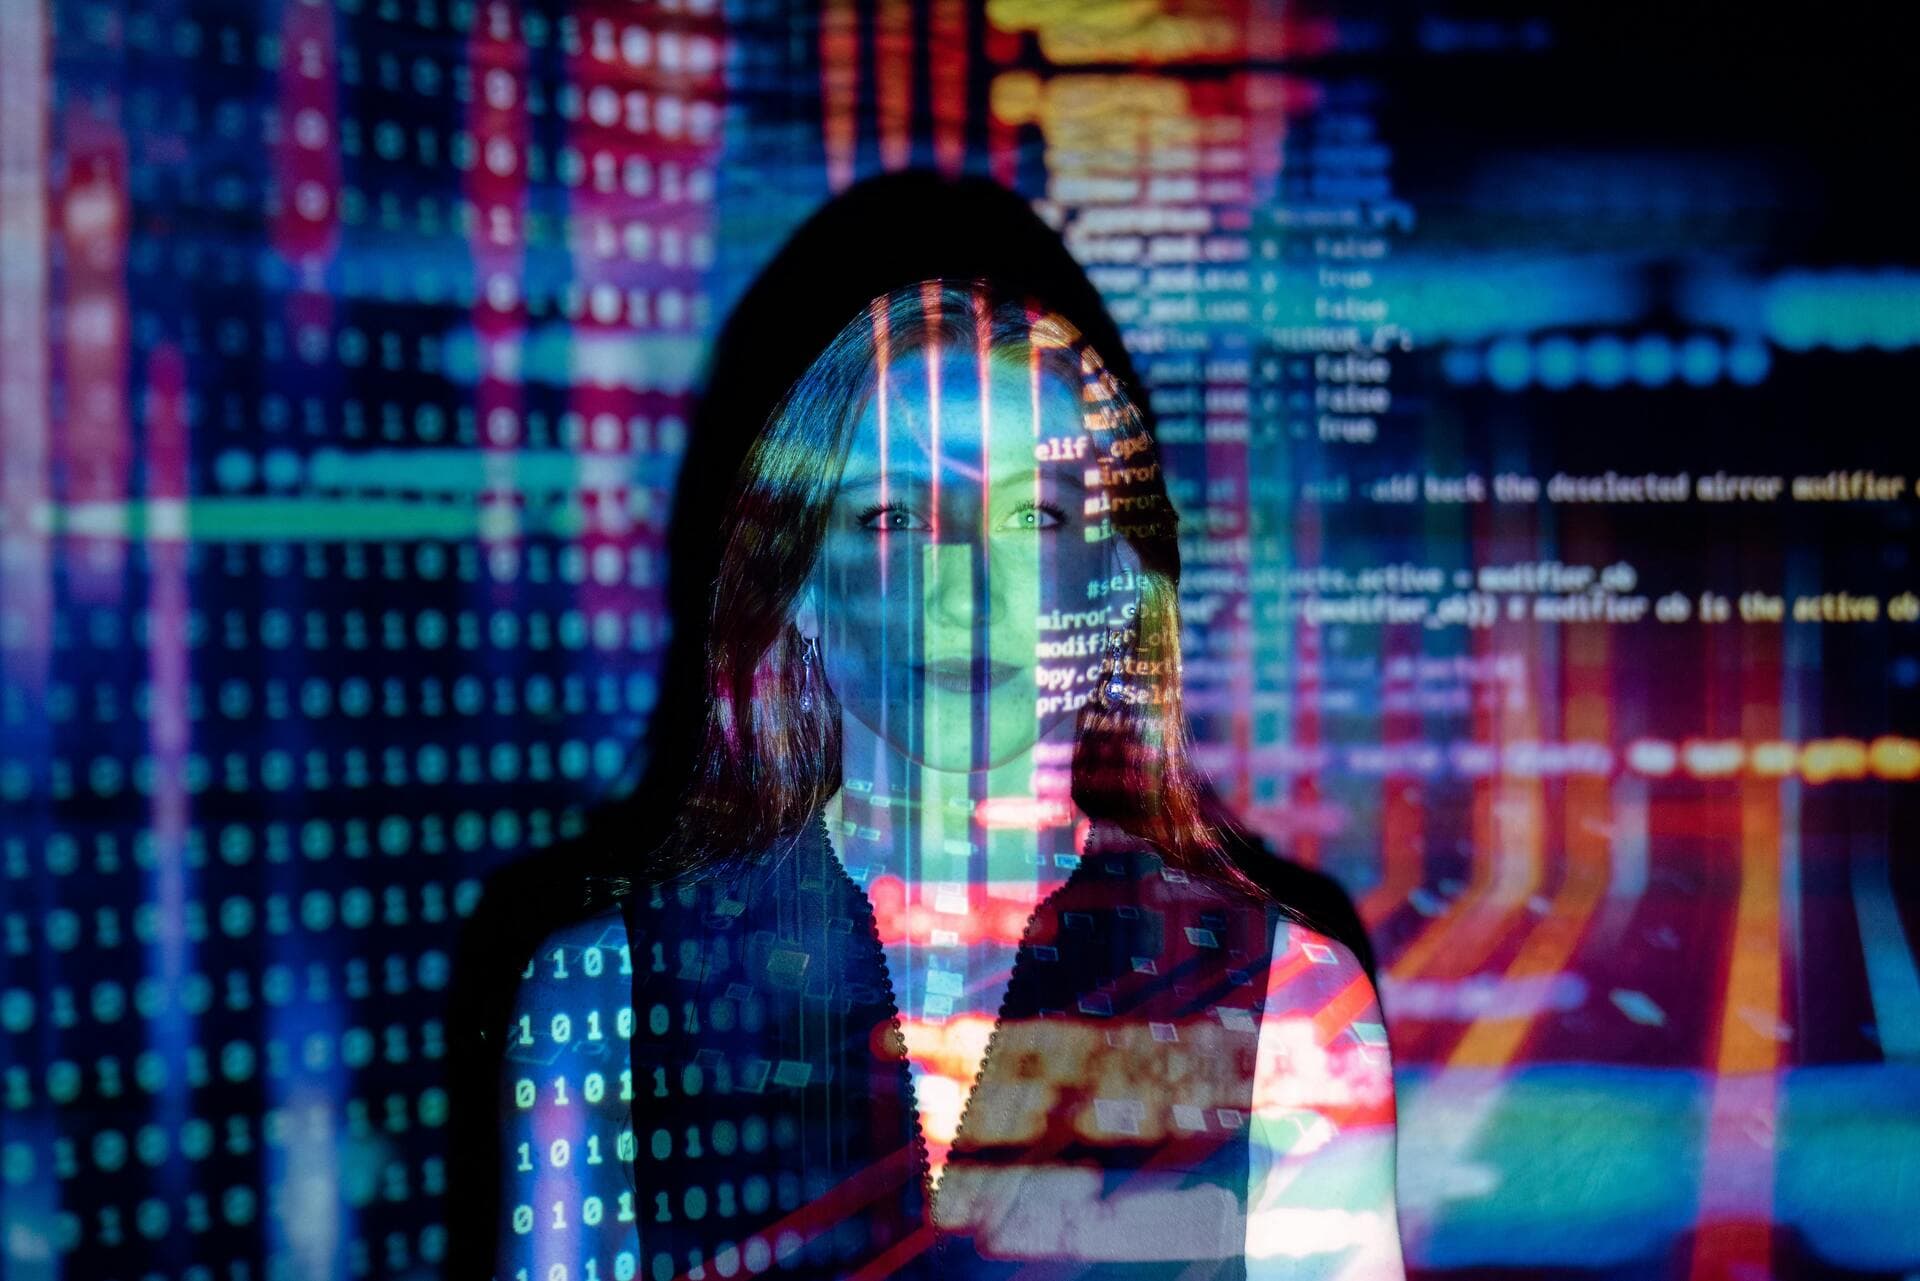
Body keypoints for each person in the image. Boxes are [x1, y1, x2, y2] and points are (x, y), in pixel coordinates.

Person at [480, 278, 1405, 1280]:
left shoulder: (1294, 1003)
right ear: (798, 587)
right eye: (894, 520)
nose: (968, 589)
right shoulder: (606, 997)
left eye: (1036, 519)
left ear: (1121, 584)